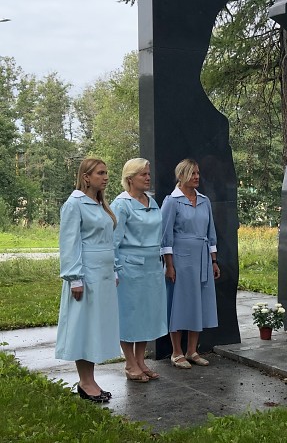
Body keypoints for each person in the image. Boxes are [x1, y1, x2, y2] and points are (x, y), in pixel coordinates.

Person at [55, 158, 120, 403]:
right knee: (84, 326)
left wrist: (113, 270)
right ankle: (84, 382)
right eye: (100, 173)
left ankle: (90, 379)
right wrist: (74, 279)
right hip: (86, 274)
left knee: (95, 326)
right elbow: (69, 244)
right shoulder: (75, 204)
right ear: (86, 177)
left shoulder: (100, 204)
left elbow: (108, 241)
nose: (105, 177)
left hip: (102, 274)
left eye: (106, 173)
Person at [161, 158, 221, 369]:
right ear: (181, 176)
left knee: (199, 303)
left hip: (202, 258)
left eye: (197, 173)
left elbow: (210, 232)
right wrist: (169, 265)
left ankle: (192, 350)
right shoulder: (172, 201)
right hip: (181, 259)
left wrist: (213, 261)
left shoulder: (204, 201)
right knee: (178, 303)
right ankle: (176, 352)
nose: (197, 177)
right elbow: (165, 236)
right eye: (192, 173)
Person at [112, 158, 168, 382]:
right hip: (129, 268)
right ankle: (129, 363)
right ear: (130, 178)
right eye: (143, 174)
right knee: (130, 314)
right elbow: (113, 241)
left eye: (148, 174)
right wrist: (115, 269)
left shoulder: (151, 201)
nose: (148, 178)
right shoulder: (121, 204)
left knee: (147, 314)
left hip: (153, 266)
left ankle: (141, 360)